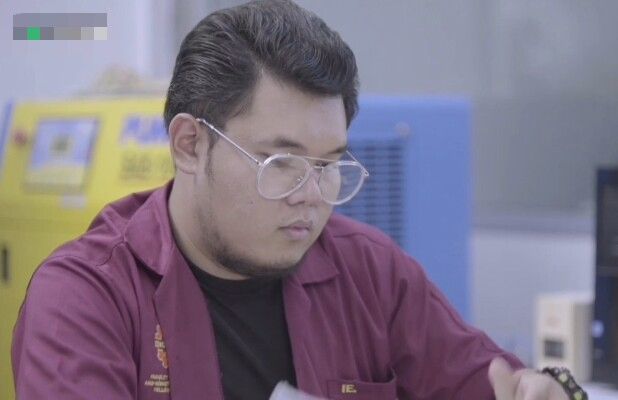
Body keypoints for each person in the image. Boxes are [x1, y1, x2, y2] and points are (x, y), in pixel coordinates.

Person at [12, 1, 586, 399]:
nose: (311, 197)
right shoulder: (87, 298)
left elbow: (486, 381)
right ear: (189, 145)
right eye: (280, 163)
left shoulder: (371, 274)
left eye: (328, 165)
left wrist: (544, 388)